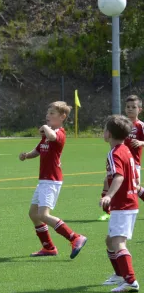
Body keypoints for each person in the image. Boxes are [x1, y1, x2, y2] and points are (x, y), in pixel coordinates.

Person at [18, 101, 87, 258]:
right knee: (33, 214)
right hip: (44, 180)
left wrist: (46, 127)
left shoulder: (60, 134)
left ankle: (75, 237)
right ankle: (48, 247)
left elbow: (52, 136)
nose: (47, 116)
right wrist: (27, 155)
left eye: (52, 114)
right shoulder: (47, 135)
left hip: (52, 180)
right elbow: (38, 149)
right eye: (47, 113)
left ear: (62, 117)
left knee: (43, 215)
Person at [100, 114, 139, 293]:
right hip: (130, 203)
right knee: (110, 240)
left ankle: (130, 281)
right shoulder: (126, 150)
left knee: (118, 242)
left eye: (104, 129)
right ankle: (119, 274)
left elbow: (119, 176)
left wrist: (108, 195)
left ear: (109, 133)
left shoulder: (114, 153)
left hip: (123, 205)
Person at [100, 95, 144, 221]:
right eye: (128, 107)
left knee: (134, 187)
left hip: (133, 163)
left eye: (133, 107)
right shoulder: (121, 124)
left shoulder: (140, 125)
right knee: (107, 181)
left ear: (139, 109)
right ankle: (107, 211)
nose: (130, 109)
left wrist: (141, 143)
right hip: (119, 161)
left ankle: (120, 209)